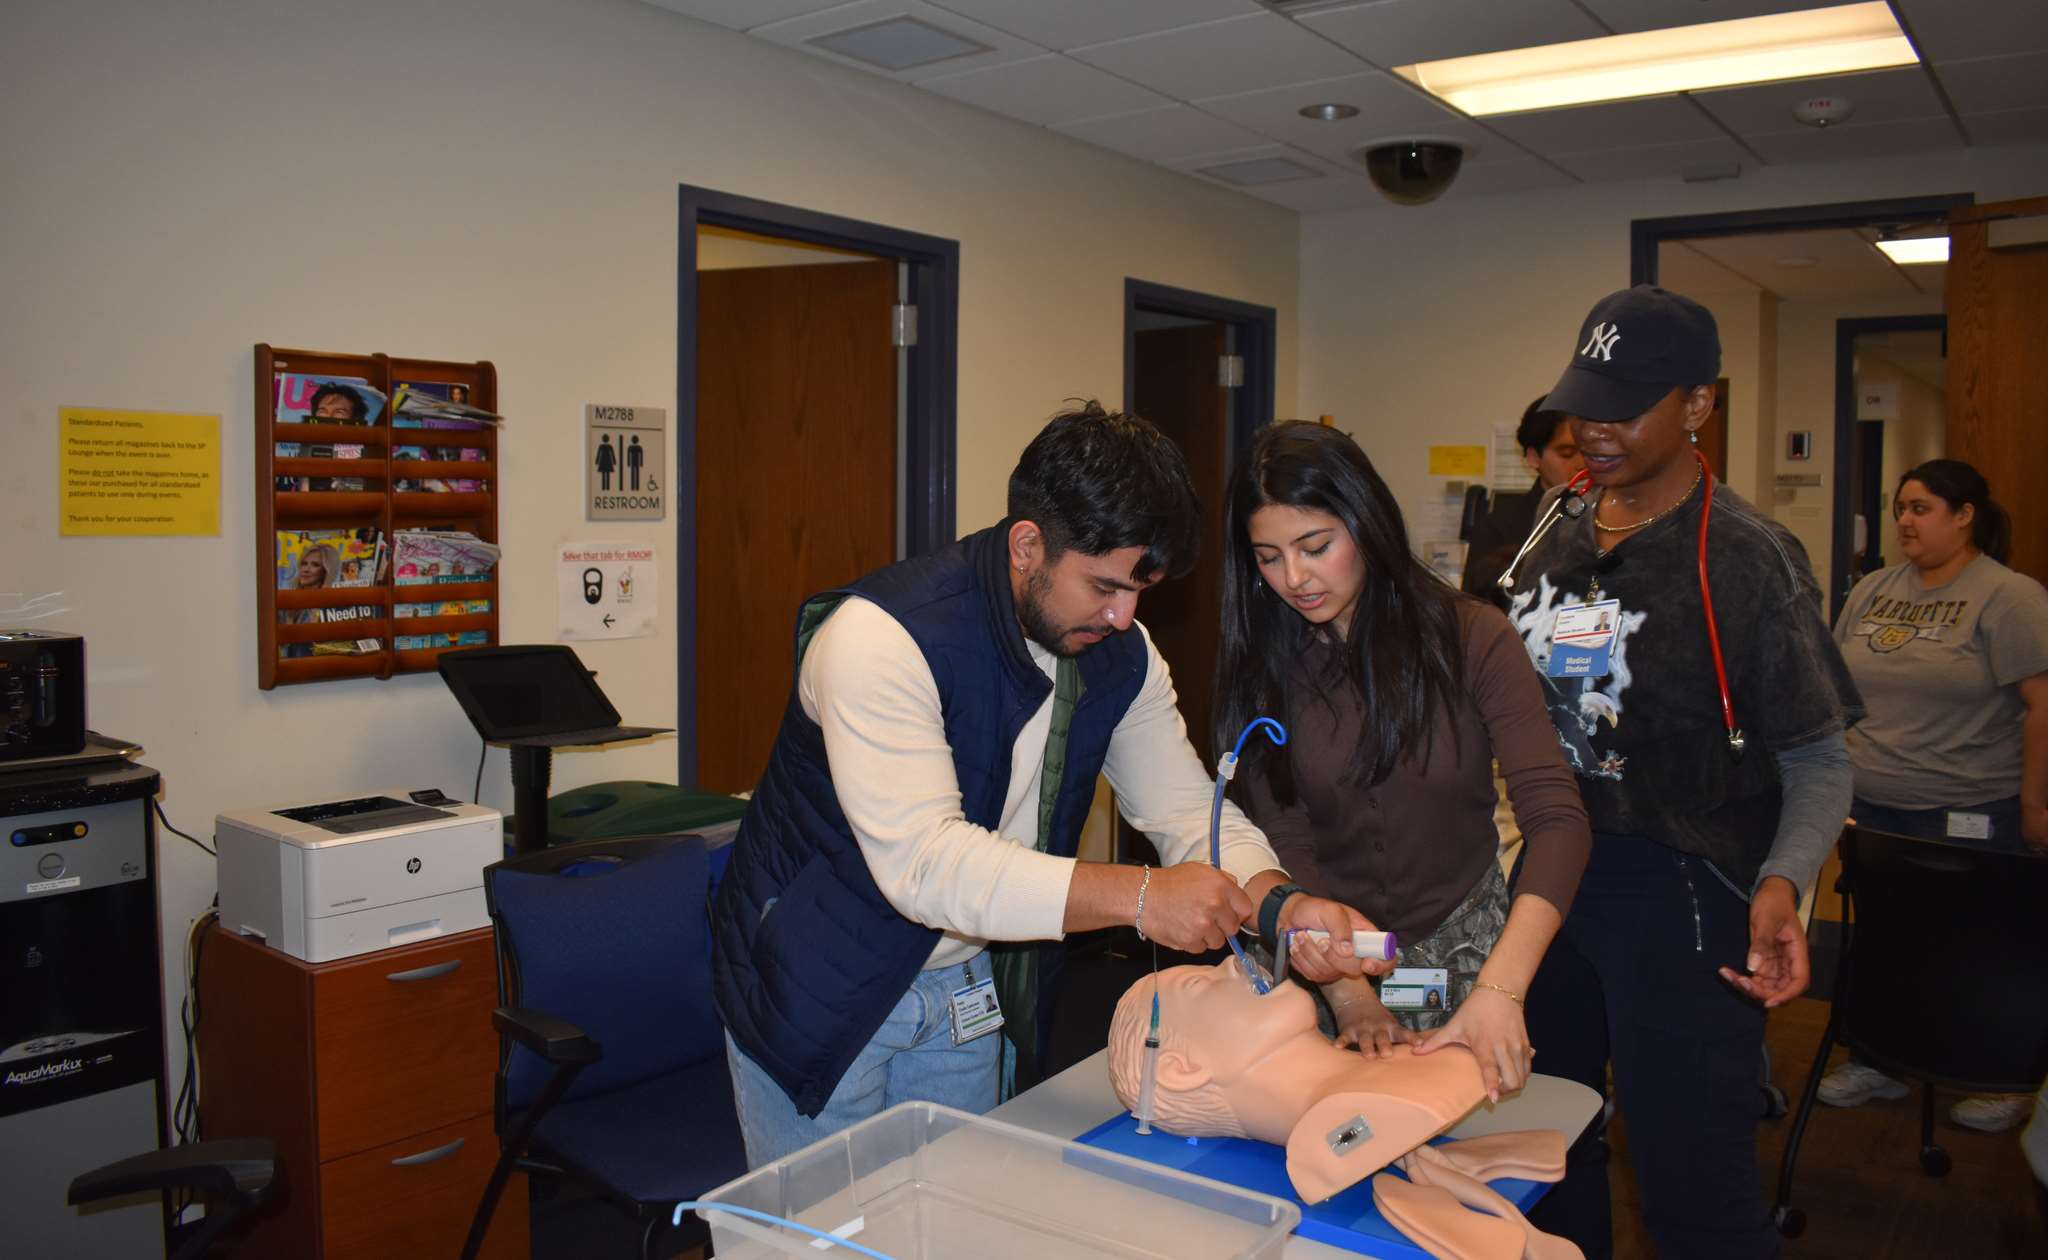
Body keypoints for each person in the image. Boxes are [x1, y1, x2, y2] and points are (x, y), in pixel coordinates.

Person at [710, 402, 1383, 1168]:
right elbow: (927, 865)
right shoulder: (881, 639)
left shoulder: (1117, 647)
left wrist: (1279, 902)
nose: (1125, 615)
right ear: (1028, 545)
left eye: (1141, 588)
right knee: (823, 1239)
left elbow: (1182, 808)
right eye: (1104, 586)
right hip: (818, 977)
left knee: (956, 1215)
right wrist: (1140, 896)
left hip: (964, 977)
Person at [1503, 286, 1862, 1260]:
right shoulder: (1555, 529)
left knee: (1692, 1195)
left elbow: (1819, 757)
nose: (1593, 428)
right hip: (1550, 882)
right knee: (1541, 1161)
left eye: (1624, 407)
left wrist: (1783, 883)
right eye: (1585, 403)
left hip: (1684, 897)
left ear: (1696, 405)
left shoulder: (1748, 560)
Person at [1214, 421, 1591, 1105]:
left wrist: (1501, 991)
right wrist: (1349, 994)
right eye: (1268, 557)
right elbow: (1282, 832)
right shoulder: (1265, 667)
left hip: (1472, 951)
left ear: (1367, 522)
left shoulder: (1473, 636)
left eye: (1316, 546)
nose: (1293, 579)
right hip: (1322, 957)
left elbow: (1557, 820)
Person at [1816, 459, 2048, 1131]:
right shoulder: (1875, 589)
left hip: (1970, 809)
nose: (1906, 522)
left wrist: (2035, 807)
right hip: (1876, 806)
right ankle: (1877, 1061)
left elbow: (2042, 707)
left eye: (1921, 509)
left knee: (1982, 949)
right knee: (1888, 939)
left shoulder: (2008, 597)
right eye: (1901, 510)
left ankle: (2005, 1075)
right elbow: (1837, 692)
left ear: (1964, 514)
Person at [1463, 398, 1585, 607]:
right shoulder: (1498, 526)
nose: (1582, 463)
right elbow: (1477, 610)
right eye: (1567, 453)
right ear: (1533, 457)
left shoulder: (1617, 514)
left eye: (1590, 450)